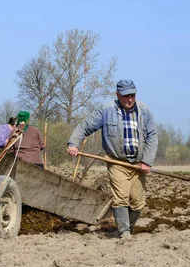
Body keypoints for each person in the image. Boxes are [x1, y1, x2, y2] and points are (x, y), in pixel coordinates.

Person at [66, 80, 158, 239]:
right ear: (118, 95)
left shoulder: (145, 111)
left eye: (132, 95)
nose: (130, 99)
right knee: (120, 196)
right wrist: (73, 143)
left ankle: (127, 227)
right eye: (125, 96)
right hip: (117, 161)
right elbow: (85, 126)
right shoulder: (106, 110)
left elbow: (152, 137)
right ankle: (124, 232)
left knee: (138, 202)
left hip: (138, 163)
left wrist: (147, 161)